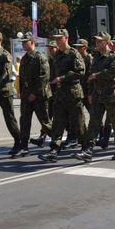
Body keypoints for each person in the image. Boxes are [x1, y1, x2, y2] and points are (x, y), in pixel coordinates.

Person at [38, 28, 87, 163]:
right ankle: (54, 150)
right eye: (56, 38)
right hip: (60, 95)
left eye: (60, 38)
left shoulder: (73, 53)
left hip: (73, 93)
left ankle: (85, 148)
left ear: (66, 38)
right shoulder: (57, 55)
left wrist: (63, 78)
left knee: (78, 123)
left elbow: (80, 71)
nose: (57, 41)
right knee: (57, 124)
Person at [74, 32, 115, 162]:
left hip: (111, 94)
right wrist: (91, 93)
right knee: (94, 123)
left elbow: (114, 72)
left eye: (99, 41)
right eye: (96, 41)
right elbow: (90, 77)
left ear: (107, 42)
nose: (96, 43)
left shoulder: (114, 57)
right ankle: (88, 150)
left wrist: (98, 75)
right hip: (98, 95)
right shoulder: (96, 57)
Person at [16, 32, 53, 157]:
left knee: (45, 122)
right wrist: (22, 92)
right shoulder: (25, 58)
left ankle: (56, 142)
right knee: (24, 121)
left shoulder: (40, 58)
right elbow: (21, 77)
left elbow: (44, 78)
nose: (23, 44)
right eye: (22, 42)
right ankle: (24, 146)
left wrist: (35, 93)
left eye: (25, 42)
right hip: (27, 95)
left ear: (32, 42)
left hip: (39, 96)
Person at [73, 38, 93, 112]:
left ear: (85, 47)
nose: (77, 48)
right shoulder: (76, 58)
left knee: (93, 114)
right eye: (76, 47)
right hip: (78, 90)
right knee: (77, 113)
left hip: (87, 89)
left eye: (79, 47)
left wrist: (90, 93)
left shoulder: (89, 59)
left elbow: (90, 75)